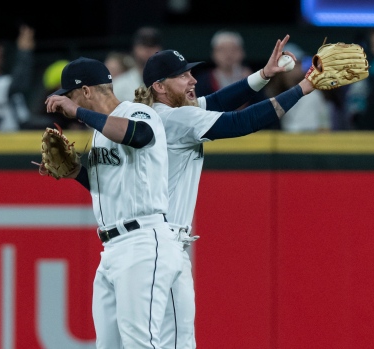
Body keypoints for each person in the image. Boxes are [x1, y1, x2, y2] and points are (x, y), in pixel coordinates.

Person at [133, 35, 320, 348]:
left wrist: (265, 74)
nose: (193, 79)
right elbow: (240, 122)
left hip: (151, 243)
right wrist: (302, 89)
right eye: (183, 76)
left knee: (160, 340)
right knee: (173, 341)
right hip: (160, 245)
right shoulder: (176, 117)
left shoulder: (164, 113)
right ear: (160, 87)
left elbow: (218, 102)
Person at [44, 57, 184, 349]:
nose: (66, 104)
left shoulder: (138, 112)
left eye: (69, 96)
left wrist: (79, 112)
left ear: (85, 92)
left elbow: (140, 135)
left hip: (144, 242)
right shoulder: (100, 133)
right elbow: (104, 186)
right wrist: (75, 174)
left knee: (139, 343)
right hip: (112, 249)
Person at [263, 43, 332, 132]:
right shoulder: (266, 94)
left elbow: (300, 134)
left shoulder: (310, 95)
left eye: (298, 63)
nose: (297, 68)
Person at [194, 30, 260, 110]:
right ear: (213, 54)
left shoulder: (255, 79)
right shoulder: (203, 81)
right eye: (222, 50)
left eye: (233, 49)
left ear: (242, 53)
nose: (228, 54)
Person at [112, 26, 163, 102]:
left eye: (152, 46)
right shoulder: (119, 84)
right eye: (144, 45)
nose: (148, 50)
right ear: (134, 48)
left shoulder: (170, 82)